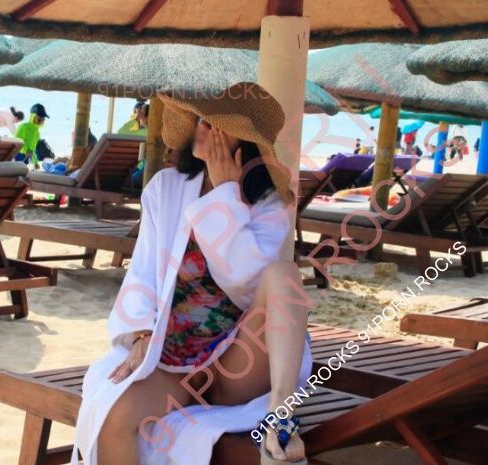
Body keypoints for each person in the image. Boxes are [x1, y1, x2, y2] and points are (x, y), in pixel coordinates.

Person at [74, 82, 311, 465]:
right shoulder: (165, 188)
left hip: (238, 362)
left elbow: (243, 280)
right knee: (113, 420)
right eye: (202, 120)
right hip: (174, 358)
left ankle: (281, 416)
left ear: (246, 144)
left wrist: (226, 194)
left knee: (284, 275)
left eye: (219, 125)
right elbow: (143, 272)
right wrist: (142, 333)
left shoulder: (270, 205)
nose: (205, 128)